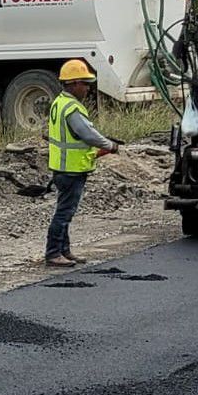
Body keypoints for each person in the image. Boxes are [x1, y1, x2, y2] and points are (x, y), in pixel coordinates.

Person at [44, 59, 119, 267]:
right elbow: (88, 135)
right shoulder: (72, 108)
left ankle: (64, 251)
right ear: (74, 83)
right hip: (71, 169)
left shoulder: (59, 102)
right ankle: (53, 253)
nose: (87, 88)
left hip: (63, 167)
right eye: (85, 83)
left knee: (65, 211)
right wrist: (110, 145)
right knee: (64, 213)